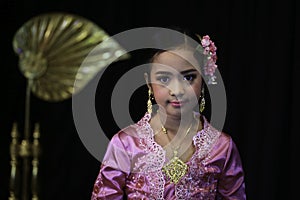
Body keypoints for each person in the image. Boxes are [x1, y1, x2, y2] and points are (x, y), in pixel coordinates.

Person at [91, 27, 246, 199]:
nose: (177, 90)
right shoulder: (126, 144)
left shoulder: (221, 147)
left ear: (203, 78)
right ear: (149, 83)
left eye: (188, 77)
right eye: (164, 79)